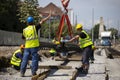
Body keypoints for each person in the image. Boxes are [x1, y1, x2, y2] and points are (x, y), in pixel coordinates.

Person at [20, 11, 51, 77]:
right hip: (34, 47)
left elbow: (23, 38)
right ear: (33, 22)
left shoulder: (24, 30)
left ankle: (22, 72)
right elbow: (42, 21)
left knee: (25, 59)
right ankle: (33, 72)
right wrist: (48, 17)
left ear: (27, 22)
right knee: (34, 59)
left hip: (27, 47)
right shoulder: (35, 27)